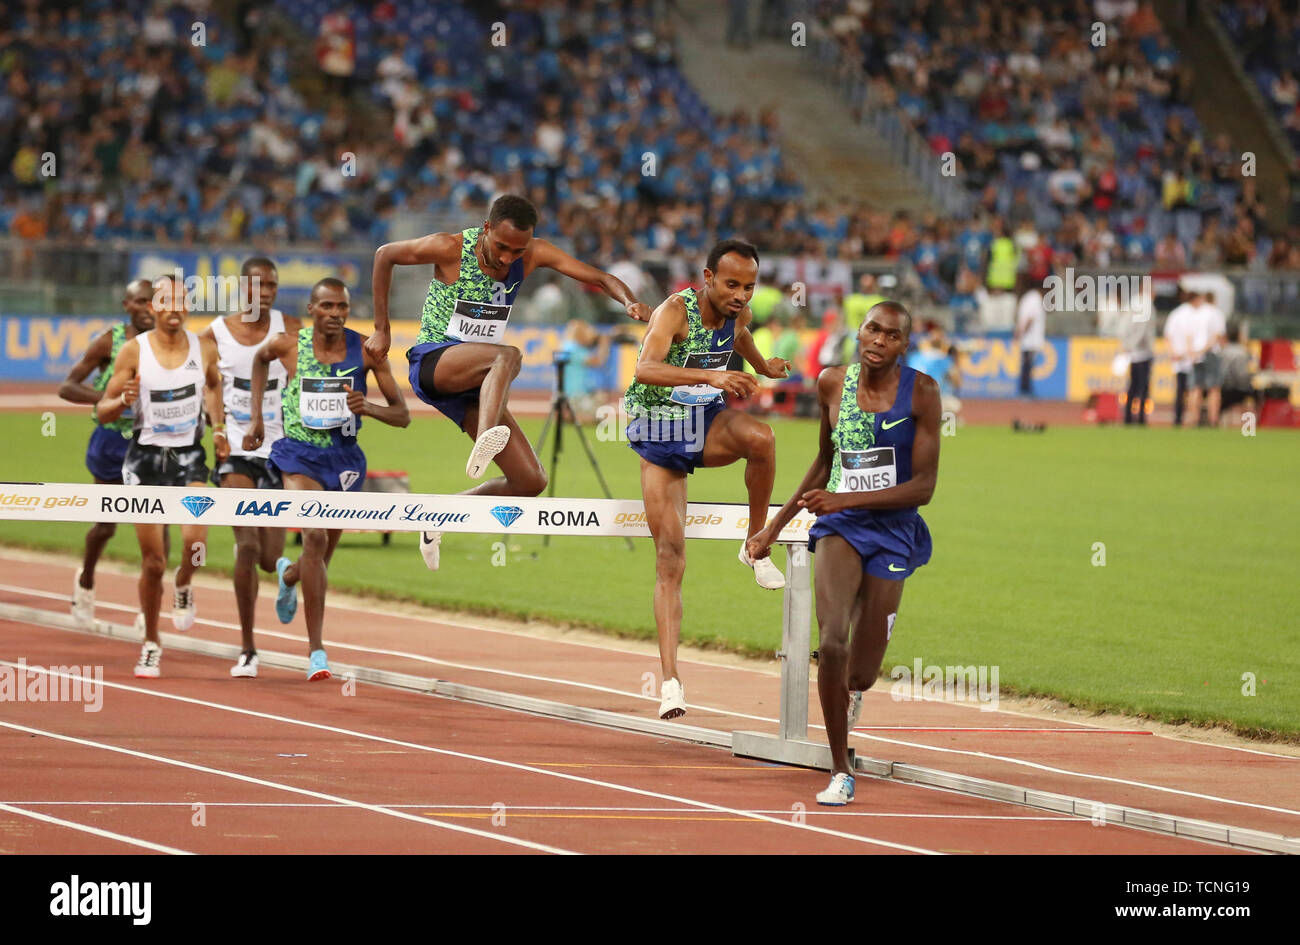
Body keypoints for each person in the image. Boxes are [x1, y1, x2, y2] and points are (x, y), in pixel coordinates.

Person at [367, 194, 650, 571]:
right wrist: (381, 330)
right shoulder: (449, 247)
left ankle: (437, 517)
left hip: (477, 382)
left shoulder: (533, 253)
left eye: (517, 251)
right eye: (501, 247)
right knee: (508, 354)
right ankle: (487, 435)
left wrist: (630, 302)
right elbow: (385, 254)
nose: (507, 259)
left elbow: (599, 277)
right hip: (435, 361)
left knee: (530, 481)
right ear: (486, 228)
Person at [746, 301, 940, 806]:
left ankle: (855, 686)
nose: (878, 340)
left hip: (895, 530)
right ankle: (839, 768)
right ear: (859, 330)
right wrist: (775, 524)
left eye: (891, 335)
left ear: (904, 344)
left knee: (862, 670)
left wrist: (844, 496)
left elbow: (923, 488)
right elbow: (824, 463)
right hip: (840, 527)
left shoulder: (922, 392)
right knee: (831, 641)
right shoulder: (833, 383)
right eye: (872, 329)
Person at [624, 238, 792, 720]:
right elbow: (645, 368)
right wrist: (715, 379)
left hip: (706, 421)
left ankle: (754, 544)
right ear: (708, 278)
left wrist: (762, 366)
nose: (742, 295)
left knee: (762, 439)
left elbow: (740, 338)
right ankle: (671, 681)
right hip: (657, 428)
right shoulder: (674, 311)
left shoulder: (740, 312)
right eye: (733, 284)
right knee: (670, 555)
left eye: (751, 287)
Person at [244, 278, 410, 681]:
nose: (335, 314)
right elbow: (259, 360)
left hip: (345, 459)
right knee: (314, 536)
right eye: (328, 307)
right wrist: (258, 416)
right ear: (312, 309)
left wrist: (367, 407)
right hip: (298, 455)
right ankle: (317, 651)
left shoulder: (367, 351)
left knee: (320, 557)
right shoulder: (287, 345)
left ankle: (288, 575)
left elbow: (402, 415)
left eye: (342, 307)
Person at [97, 274, 224, 678]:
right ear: (152, 307)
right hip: (145, 460)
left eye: (181, 302)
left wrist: (218, 428)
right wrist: (122, 399)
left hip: (188, 457)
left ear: (188, 307)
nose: (174, 310)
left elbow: (215, 386)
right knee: (152, 562)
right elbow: (103, 411)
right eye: (165, 302)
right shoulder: (133, 352)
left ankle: (184, 583)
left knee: (194, 542)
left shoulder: (204, 348)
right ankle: (151, 641)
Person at [201, 257, 301, 678]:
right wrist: (217, 429)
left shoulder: (291, 328)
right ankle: (247, 648)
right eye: (257, 286)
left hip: (280, 448)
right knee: (245, 546)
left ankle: (287, 574)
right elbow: (207, 385)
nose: (264, 293)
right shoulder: (215, 334)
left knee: (269, 557)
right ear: (242, 288)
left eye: (271, 286)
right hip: (236, 449)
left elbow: (313, 372)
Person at [58, 278, 156, 626]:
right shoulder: (109, 341)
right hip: (112, 441)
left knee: (156, 526)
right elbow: (67, 387)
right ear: (127, 305)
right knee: (106, 526)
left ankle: (150, 606)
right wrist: (111, 400)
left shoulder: (169, 343)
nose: (148, 308)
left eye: (153, 301)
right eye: (141, 301)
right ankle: (85, 582)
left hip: (151, 441)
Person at [1163, 289, 1198, 426]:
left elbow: (1168, 336)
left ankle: (1178, 418)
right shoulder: (1195, 314)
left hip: (1179, 357)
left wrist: (1172, 352)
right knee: (1194, 390)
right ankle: (1193, 419)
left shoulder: (1175, 314)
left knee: (1180, 390)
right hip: (1192, 358)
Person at [1119, 297, 1156, 425]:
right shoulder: (1145, 307)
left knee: (1133, 386)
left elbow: (1123, 328)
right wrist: (1133, 344)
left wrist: (1127, 345)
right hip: (1143, 353)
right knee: (1142, 387)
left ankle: (1128, 417)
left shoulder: (1131, 309)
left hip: (1134, 354)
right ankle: (1140, 417)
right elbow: (1143, 331)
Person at [1014, 274, 1046, 398]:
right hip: (1030, 339)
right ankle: (1025, 390)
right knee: (1027, 365)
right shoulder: (1034, 298)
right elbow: (1029, 318)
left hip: (1030, 338)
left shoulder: (1029, 298)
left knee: (1028, 366)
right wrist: (1021, 333)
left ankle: (1026, 389)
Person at [1218, 320, 1255, 426]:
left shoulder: (1222, 352)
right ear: (1239, 335)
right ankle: (1248, 426)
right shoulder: (1243, 352)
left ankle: (1221, 424)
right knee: (1256, 393)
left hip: (1223, 390)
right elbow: (1242, 375)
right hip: (1240, 390)